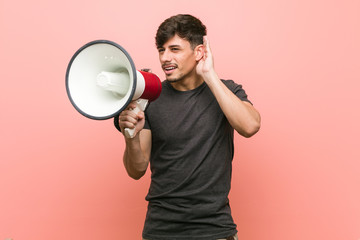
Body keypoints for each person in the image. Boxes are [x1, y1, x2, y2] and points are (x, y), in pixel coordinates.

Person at [116, 14, 261, 240]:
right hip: (161, 230)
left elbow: (250, 126)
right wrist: (130, 135)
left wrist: (210, 76)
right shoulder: (151, 98)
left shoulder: (227, 90)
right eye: (161, 50)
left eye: (174, 49)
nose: (165, 58)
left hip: (214, 230)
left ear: (199, 52)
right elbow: (136, 170)